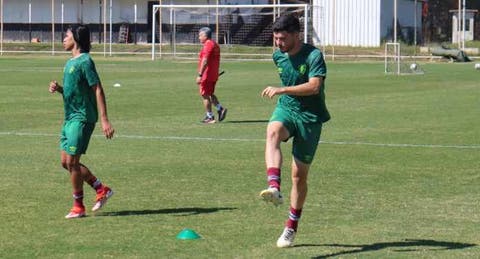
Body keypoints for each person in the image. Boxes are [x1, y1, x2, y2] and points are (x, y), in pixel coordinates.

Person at [259, 14, 330, 247]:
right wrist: (284, 95)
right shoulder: (277, 55)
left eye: (282, 38)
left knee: (299, 177)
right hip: (287, 109)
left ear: (296, 35)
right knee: (272, 132)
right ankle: (274, 187)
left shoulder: (314, 55)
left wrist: (282, 89)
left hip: (310, 119)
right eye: (275, 38)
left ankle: (291, 226)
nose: (278, 43)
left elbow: (314, 86)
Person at [48, 24, 115, 219]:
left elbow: (97, 89)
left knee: (72, 162)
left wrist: (104, 120)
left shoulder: (85, 61)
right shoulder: (70, 63)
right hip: (69, 118)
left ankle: (78, 206)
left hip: (83, 117)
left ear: (76, 38)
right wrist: (60, 89)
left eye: (66, 35)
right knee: (65, 162)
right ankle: (101, 189)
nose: (63, 39)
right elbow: (75, 90)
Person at [196, 27, 227, 124]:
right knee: (209, 93)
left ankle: (210, 117)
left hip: (207, 74)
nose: (199, 37)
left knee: (204, 94)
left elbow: (205, 60)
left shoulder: (208, 45)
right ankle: (220, 109)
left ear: (205, 36)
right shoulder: (215, 44)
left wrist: (200, 75)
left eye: (200, 35)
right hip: (213, 74)